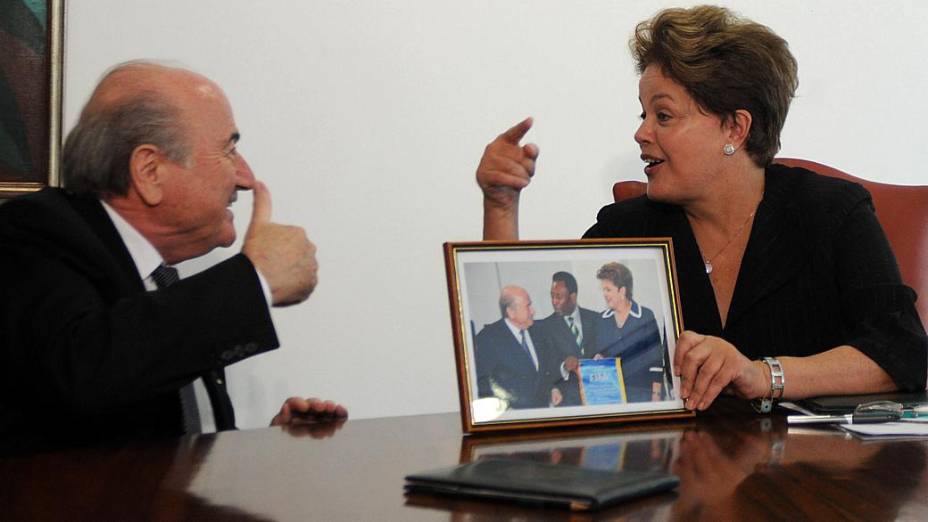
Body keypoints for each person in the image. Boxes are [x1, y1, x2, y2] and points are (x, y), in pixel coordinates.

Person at [475, 6, 926, 412]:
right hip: (675, 483)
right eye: (642, 115)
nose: (642, 134)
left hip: (813, 483)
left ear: (735, 127)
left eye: (664, 116)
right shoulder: (628, 229)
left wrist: (762, 375)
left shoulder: (831, 214)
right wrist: (501, 206)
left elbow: (902, 352)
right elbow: (536, 353)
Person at [0, 61, 346, 454]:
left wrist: (263, 447)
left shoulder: (160, 281)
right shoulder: (28, 236)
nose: (246, 177)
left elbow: (152, 436)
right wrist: (256, 282)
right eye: (229, 149)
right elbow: (86, 369)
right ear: (150, 171)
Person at [474, 285, 563, 409]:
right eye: (528, 306)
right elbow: (483, 384)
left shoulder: (538, 332)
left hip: (542, 413)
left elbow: (545, 370)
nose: (533, 311)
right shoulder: (488, 339)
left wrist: (552, 388)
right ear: (511, 312)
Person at [593, 262, 665, 402]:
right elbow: (598, 353)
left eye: (608, 290)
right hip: (611, 396)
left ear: (622, 291)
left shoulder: (645, 316)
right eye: (603, 290)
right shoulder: (601, 319)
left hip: (642, 395)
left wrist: (655, 397)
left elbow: (655, 360)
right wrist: (598, 357)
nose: (604, 294)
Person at [537, 271, 599, 406]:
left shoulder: (596, 319)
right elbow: (544, 369)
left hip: (600, 394)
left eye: (559, 297)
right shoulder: (544, 328)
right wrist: (564, 366)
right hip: (569, 401)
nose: (554, 302)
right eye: (552, 296)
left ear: (573, 297)